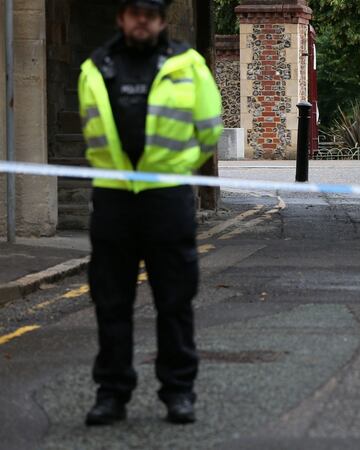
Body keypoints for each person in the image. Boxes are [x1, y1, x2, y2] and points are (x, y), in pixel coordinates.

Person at [79, 0, 222, 426]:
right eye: (133, 9)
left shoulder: (189, 65)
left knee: (175, 299)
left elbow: (209, 130)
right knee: (111, 301)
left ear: (161, 19)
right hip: (113, 199)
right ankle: (111, 393)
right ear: (120, 16)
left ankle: (179, 392)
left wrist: (176, 168)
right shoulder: (95, 68)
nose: (142, 18)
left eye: (151, 10)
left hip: (167, 198)